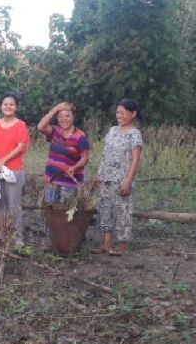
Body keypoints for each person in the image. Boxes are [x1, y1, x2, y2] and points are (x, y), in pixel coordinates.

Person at [92, 99, 143, 256]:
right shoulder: (112, 130)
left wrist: (128, 181)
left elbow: (135, 160)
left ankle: (121, 246)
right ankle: (106, 244)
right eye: (117, 112)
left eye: (122, 112)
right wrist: (98, 174)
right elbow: (105, 154)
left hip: (122, 179)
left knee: (122, 211)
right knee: (105, 209)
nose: (119, 115)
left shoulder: (134, 134)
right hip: (106, 177)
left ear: (132, 114)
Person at [0, 93, 30, 246]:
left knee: (14, 205)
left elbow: (20, 146)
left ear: (15, 107)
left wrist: (3, 160)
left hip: (14, 170)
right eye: (5, 104)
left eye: (11, 104)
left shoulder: (20, 125)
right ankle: (1, 235)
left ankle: (17, 239)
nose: (8, 107)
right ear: (1, 106)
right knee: (0, 204)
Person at [37, 102, 90, 205]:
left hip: (70, 184)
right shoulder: (55, 131)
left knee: (68, 215)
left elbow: (85, 159)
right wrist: (55, 109)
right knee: (52, 214)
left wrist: (74, 168)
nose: (64, 119)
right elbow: (40, 127)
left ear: (73, 117)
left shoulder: (80, 137)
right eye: (60, 116)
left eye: (67, 116)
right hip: (52, 181)